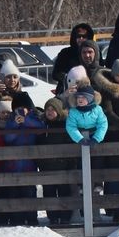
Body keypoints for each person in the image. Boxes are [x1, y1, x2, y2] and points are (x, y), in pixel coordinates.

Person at [94, 60, 119, 223]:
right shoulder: (107, 90)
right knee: (116, 174)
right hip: (114, 137)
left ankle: (118, 207)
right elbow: (108, 113)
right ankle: (115, 208)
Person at [0, 94, 45, 226]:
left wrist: (26, 120)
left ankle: (32, 218)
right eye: (18, 109)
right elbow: (8, 139)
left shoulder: (34, 118)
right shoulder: (11, 121)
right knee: (14, 192)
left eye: (24, 108)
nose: (21, 111)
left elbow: (40, 128)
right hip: (13, 164)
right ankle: (16, 218)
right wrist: (15, 125)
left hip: (29, 164)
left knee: (29, 192)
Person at [38, 97, 75, 226]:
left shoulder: (65, 125)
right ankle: (53, 217)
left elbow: (71, 146)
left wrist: (70, 164)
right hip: (47, 167)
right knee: (49, 192)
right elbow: (38, 144)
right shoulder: (42, 126)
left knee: (64, 191)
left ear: (59, 111)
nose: (50, 112)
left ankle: (65, 216)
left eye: (53, 109)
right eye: (47, 109)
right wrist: (40, 163)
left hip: (62, 166)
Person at [52, 23, 96, 93]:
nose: (81, 39)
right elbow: (56, 74)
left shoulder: (94, 52)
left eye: (84, 36)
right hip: (68, 90)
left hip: (89, 91)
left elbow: (99, 69)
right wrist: (71, 78)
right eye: (78, 36)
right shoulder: (66, 53)